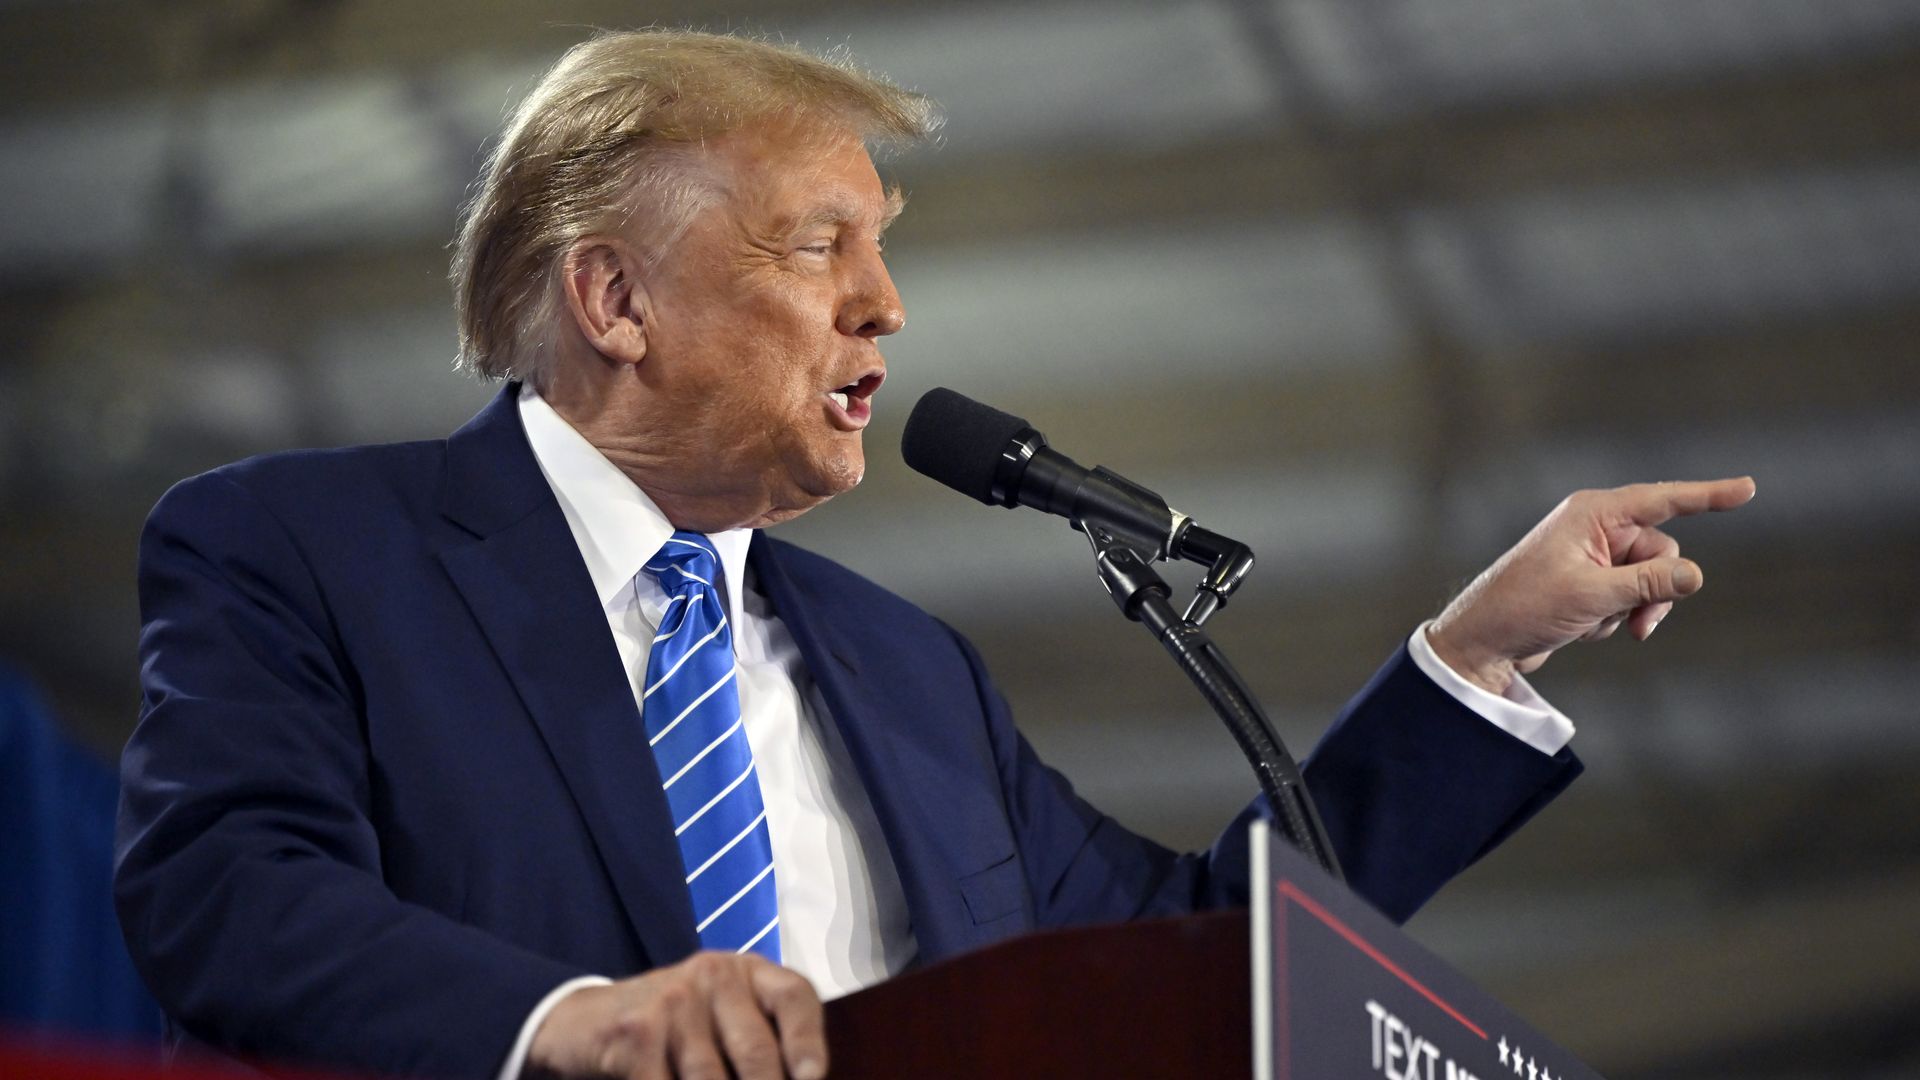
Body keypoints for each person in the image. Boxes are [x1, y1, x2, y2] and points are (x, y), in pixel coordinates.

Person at [115, 30, 1754, 1080]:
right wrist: (567, 1028)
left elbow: (1198, 958)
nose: (884, 307)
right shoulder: (300, 550)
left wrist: (1471, 660)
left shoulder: (911, 675)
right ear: (615, 300)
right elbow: (226, 895)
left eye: (883, 250)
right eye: (820, 244)